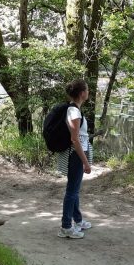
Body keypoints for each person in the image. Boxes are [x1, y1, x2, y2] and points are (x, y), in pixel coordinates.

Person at [57, 79, 93, 239]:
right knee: (71, 191)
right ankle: (66, 227)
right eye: (87, 90)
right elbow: (75, 139)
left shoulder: (75, 110)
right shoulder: (74, 112)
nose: (88, 92)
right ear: (82, 93)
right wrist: (85, 162)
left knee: (74, 189)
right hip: (76, 155)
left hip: (77, 154)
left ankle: (77, 220)